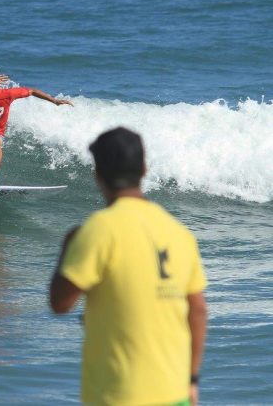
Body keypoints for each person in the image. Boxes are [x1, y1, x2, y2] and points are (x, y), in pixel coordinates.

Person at [49, 127, 208, 406]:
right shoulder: (179, 232)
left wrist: (68, 246)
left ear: (97, 174)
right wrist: (192, 381)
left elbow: (60, 303)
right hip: (176, 393)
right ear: (145, 169)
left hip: (119, 395)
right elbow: (198, 310)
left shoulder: (98, 230)